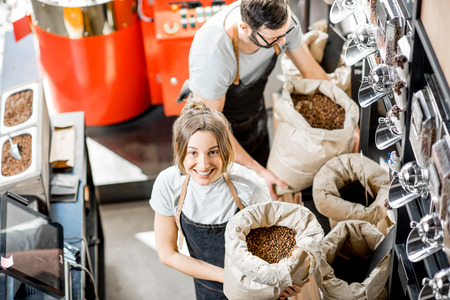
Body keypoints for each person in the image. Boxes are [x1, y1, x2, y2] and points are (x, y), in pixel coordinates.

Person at [150, 100, 303, 299]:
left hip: (255, 288)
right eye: (192, 152)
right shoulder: (168, 184)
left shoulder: (249, 186)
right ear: (180, 150)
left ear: (226, 150)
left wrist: (286, 278)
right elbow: (167, 254)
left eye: (213, 152)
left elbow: (274, 246)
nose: (203, 165)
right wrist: (230, 278)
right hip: (209, 290)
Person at [188, 0, 330, 200]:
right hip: (214, 134)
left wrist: (348, 118)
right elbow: (212, 128)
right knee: (230, 196)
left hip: (253, 113)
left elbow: (310, 70)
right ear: (245, 28)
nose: (283, 42)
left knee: (263, 190)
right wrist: (258, 172)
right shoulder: (213, 52)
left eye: (285, 32)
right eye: (274, 39)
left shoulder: (282, 21)